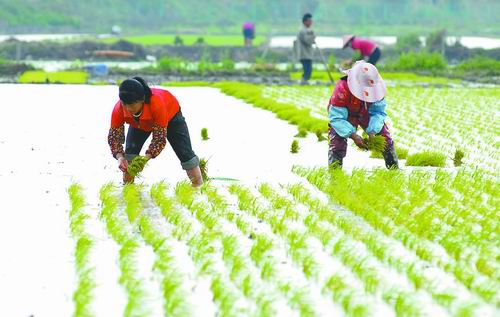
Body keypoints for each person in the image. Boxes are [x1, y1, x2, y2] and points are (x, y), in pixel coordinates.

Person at [107, 77, 203, 186]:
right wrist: (120, 158)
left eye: (132, 104)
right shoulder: (119, 108)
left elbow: (159, 140)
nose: (128, 108)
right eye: (125, 104)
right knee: (130, 155)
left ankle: (199, 187)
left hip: (171, 117)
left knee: (185, 155)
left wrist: (144, 159)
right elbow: (114, 138)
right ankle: (128, 188)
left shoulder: (157, 104)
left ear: (142, 100)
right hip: (139, 123)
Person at [327, 61, 398, 169]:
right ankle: (335, 172)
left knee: (384, 137)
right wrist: (354, 136)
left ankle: (394, 169)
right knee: (337, 141)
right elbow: (337, 118)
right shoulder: (343, 87)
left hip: (366, 112)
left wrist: (372, 132)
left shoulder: (376, 88)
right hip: (346, 114)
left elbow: (378, 112)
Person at [296, 13, 316, 84]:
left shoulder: (307, 30)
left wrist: (312, 36)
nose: (311, 22)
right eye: (309, 21)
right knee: (307, 69)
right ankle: (303, 81)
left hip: (308, 54)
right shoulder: (302, 30)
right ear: (305, 21)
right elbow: (307, 40)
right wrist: (313, 36)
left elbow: (310, 40)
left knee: (308, 69)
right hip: (304, 54)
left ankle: (305, 81)